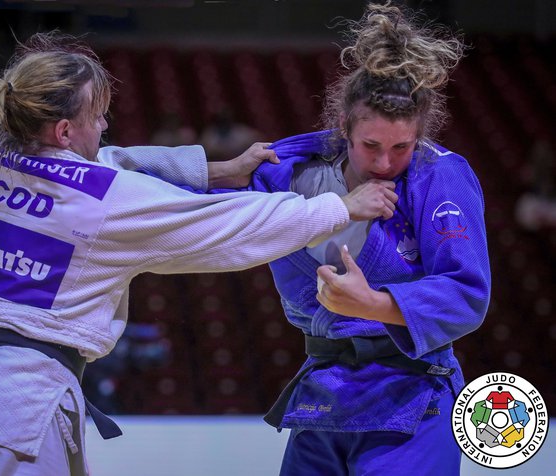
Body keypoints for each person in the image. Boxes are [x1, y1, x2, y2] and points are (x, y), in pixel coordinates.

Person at [0, 32, 397, 476]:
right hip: (8, 416)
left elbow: (111, 163)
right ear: (65, 132)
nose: (107, 123)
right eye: (97, 115)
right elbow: (228, 226)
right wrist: (340, 207)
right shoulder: (106, 203)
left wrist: (217, 170)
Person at [167, 3, 488, 474]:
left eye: (401, 147)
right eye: (370, 146)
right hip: (325, 388)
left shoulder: (438, 177)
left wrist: (373, 305)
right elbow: (190, 218)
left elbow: (467, 295)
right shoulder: (287, 174)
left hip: (413, 392)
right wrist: (215, 173)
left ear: (420, 136)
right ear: (344, 128)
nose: (384, 163)